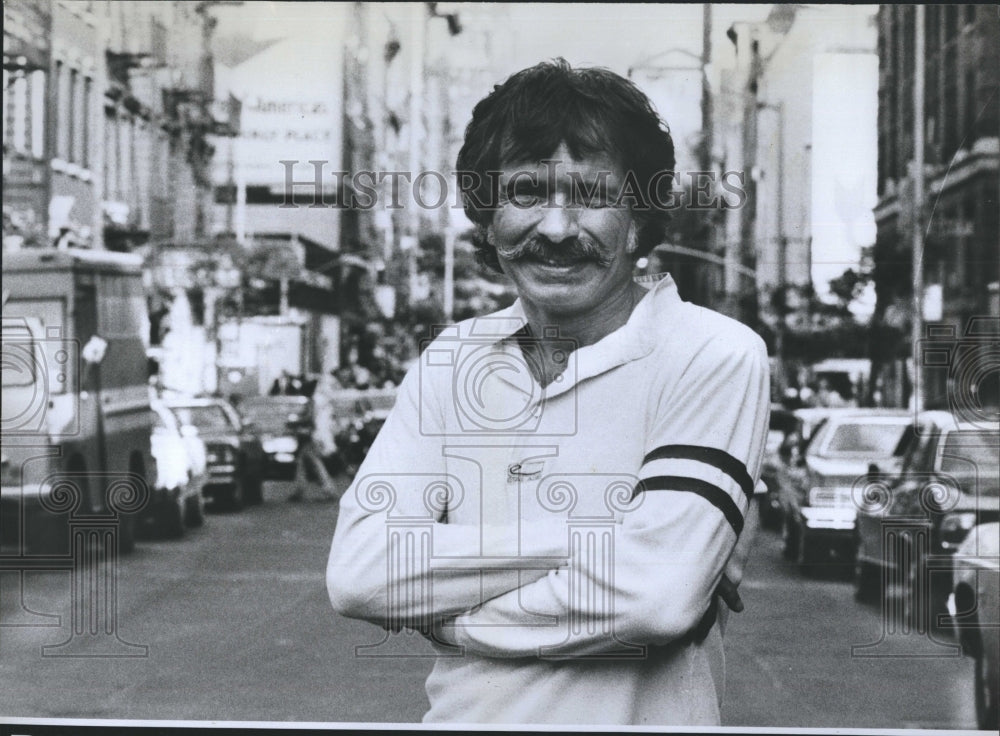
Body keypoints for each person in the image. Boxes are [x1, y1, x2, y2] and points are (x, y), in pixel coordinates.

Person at [326, 59, 770, 726]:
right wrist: (606, 536)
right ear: (487, 213)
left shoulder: (713, 354)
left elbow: (655, 599)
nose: (557, 230)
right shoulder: (452, 361)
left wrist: (453, 622)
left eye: (592, 195)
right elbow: (362, 573)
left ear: (640, 220)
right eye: (528, 191)